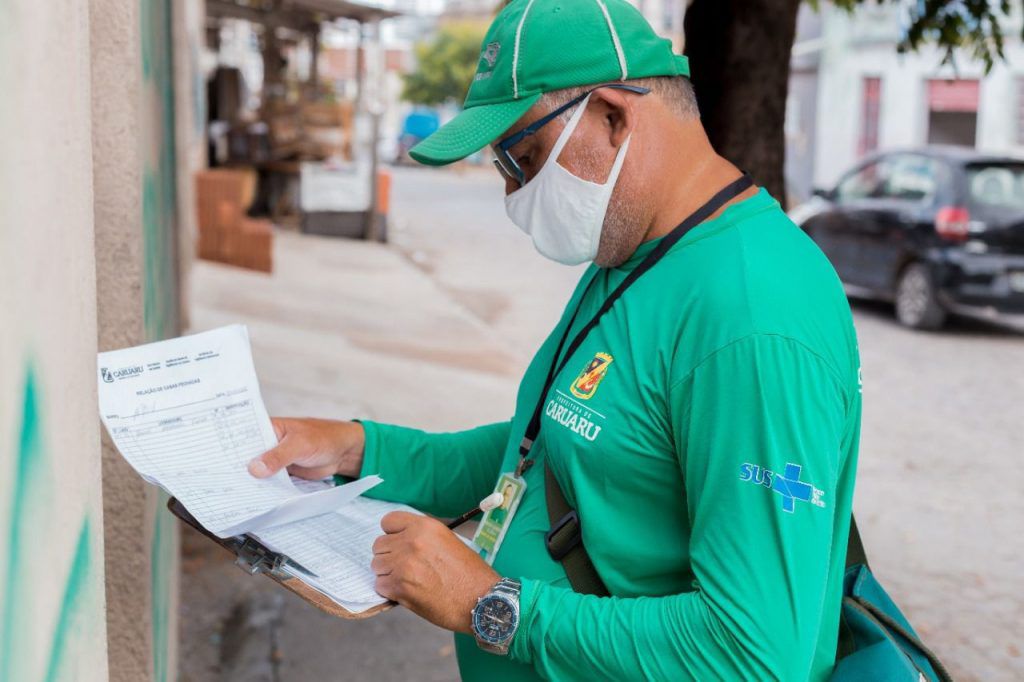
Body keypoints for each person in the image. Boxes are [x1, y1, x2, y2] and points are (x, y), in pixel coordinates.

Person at [248, 0, 862, 678]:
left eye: (524, 156)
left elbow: (756, 655)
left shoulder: (751, 316)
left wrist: (493, 604)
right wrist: (359, 448)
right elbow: (547, 449)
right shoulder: (636, 250)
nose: (513, 191)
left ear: (612, 114)